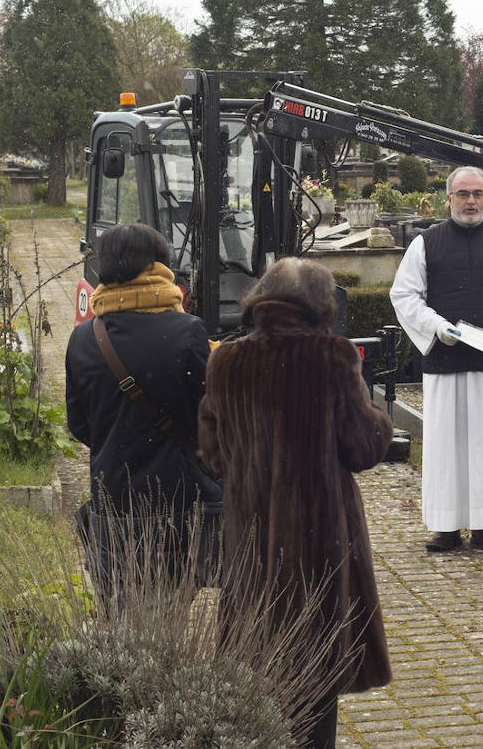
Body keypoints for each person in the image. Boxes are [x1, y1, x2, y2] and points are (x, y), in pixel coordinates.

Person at [197, 258, 392, 749]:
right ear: (321, 304)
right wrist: (377, 415)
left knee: (261, 666)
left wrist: (249, 474)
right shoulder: (333, 357)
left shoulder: (225, 360)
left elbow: (212, 453)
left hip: (251, 540)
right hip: (319, 543)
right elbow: (363, 447)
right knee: (317, 673)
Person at [390, 165, 483, 552]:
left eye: (477, 194)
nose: (471, 201)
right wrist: (437, 327)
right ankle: (445, 526)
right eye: (463, 194)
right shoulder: (426, 243)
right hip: (445, 362)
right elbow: (404, 295)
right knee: (447, 447)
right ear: (449, 199)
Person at [64, 223, 220, 590]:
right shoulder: (188, 332)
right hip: (178, 503)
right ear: (158, 266)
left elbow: (79, 424)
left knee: (120, 617)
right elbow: (207, 417)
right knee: (172, 609)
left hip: (113, 501)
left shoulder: (84, 338)